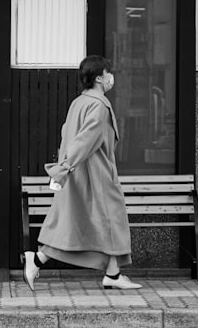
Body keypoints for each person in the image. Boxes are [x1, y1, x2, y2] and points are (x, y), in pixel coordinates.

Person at [22, 55, 141, 291]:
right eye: (108, 73)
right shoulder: (99, 105)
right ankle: (38, 260)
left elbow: (68, 135)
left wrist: (65, 169)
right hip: (95, 174)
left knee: (83, 222)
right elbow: (85, 141)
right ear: (99, 77)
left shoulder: (79, 102)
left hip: (80, 173)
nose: (111, 77)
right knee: (110, 219)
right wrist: (62, 169)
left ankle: (112, 273)